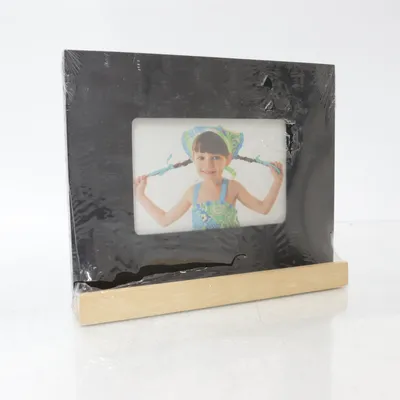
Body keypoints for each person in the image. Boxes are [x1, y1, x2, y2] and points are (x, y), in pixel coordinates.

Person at [135, 127, 284, 230]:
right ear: (193, 158)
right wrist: (141, 196)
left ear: (228, 159)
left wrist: (277, 182)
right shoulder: (192, 193)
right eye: (201, 157)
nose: (208, 165)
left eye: (216, 157)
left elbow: (263, 209)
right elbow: (164, 220)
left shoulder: (233, 188)